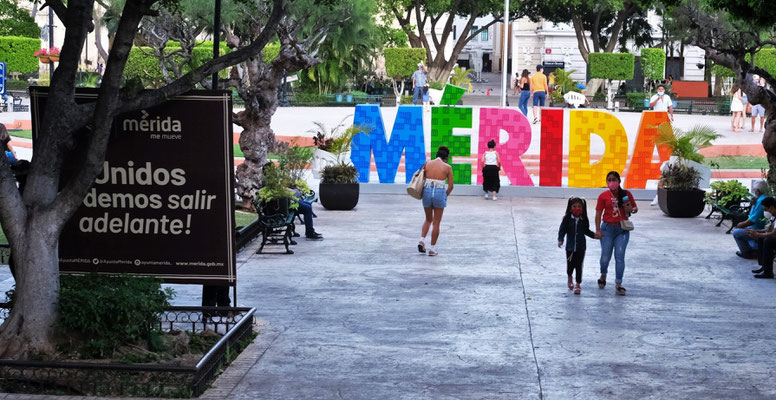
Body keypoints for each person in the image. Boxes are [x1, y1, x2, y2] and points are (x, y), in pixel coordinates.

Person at [594, 171, 638, 296]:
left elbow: (635, 208)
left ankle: (618, 284)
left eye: (614, 179)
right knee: (605, 256)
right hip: (607, 229)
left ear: (619, 181)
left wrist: (631, 209)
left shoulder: (626, 194)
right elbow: (598, 213)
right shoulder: (603, 196)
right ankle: (603, 275)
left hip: (622, 230)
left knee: (619, 256)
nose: (612, 182)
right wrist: (598, 230)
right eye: (609, 180)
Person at [418, 146, 454, 256]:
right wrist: (445, 196)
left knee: (428, 219)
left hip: (427, 191)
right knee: (436, 222)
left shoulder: (427, 163)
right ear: (446, 158)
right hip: (439, 192)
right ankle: (432, 249)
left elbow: (420, 176)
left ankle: (422, 240)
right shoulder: (447, 167)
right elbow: (451, 186)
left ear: (436, 155)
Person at [558, 197, 596, 295]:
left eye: (579, 206)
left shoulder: (583, 220)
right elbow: (562, 230)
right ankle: (570, 277)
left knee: (579, 266)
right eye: (574, 206)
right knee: (570, 265)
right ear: (570, 208)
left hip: (581, 248)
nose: (577, 208)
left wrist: (595, 235)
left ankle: (578, 284)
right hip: (570, 248)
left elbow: (586, 231)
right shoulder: (567, 219)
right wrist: (560, 240)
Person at [732, 180, 768, 259]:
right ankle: (754, 249)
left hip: (759, 229)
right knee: (745, 230)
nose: (754, 192)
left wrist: (740, 225)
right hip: (758, 227)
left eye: (755, 190)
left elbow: (752, 220)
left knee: (736, 232)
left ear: (758, 191)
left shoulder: (761, 201)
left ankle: (746, 252)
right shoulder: (762, 199)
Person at [747, 196, 776, 278]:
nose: (765, 212)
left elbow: (773, 234)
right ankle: (764, 266)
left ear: (772, 207)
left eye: (765, 209)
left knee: (768, 241)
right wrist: (757, 232)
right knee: (762, 238)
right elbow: (768, 229)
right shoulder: (773, 215)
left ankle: (768, 272)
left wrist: (758, 234)